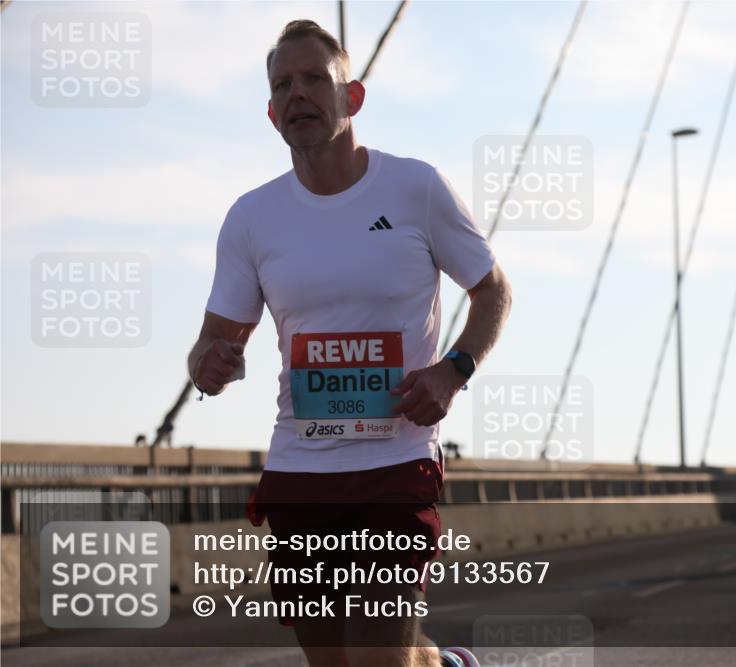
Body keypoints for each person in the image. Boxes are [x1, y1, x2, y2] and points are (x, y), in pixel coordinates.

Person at [188, 20, 512, 667]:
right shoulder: (252, 218)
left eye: (315, 79)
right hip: (300, 475)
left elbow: (493, 291)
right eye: (284, 85)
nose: (299, 94)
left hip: (395, 466)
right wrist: (211, 364)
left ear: (352, 97)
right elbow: (207, 351)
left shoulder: (415, 189)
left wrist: (452, 371)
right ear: (272, 112)